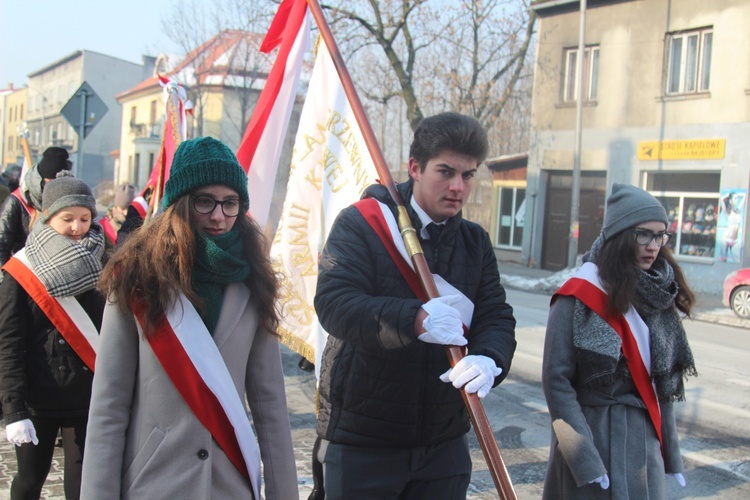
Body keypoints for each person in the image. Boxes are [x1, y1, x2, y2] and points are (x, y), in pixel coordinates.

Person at [81, 137, 298, 499]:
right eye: (205, 201)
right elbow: (109, 405)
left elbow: (270, 405)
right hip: (153, 483)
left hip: (228, 486)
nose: (219, 215)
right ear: (180, 204)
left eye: (230, 203)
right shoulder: (136, 278)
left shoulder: (255, 281)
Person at [313, 112, 517, 498]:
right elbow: (334, 304)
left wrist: (490, 358)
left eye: (469, 175)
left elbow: (495, 315)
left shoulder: (475, 242)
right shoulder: (362, 225)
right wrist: (415, 319)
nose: (458, 186)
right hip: (363, 438)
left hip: (443, 443)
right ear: (415, 168)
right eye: (446, 172)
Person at [541, 183, 697, 498]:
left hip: (643, 450)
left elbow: (662, 385)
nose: (654, 245)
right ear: (619, 235)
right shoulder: (578, 294)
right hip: (591, 442)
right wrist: (584, 460)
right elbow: (556, 382)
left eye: (660, 235)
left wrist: (671, 458)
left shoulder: (658, 296)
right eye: (643, 234)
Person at [0, 172, 105, 499]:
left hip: (88, 395)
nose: (78, 227)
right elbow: (8, 343)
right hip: (37, 397)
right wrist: (14, 409)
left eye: (85, 218)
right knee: (29, 482)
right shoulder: (21, 270)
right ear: (47, 218)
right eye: (67, 218)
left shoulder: (105, 262)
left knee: (84, 486)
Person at [0, 147, 73, 278]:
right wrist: (5, 281)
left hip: (55, 278)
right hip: (20, 276)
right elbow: (2, 243)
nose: (54, 190)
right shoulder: (17, 201)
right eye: (50, 184)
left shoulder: (69, 201)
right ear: (41, 181)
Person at [98, 183, 135, 255]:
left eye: (129, 208)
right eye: (123, 208)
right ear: (116, 206)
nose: (126, 212)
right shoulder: (103, 226)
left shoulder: (136, 224)